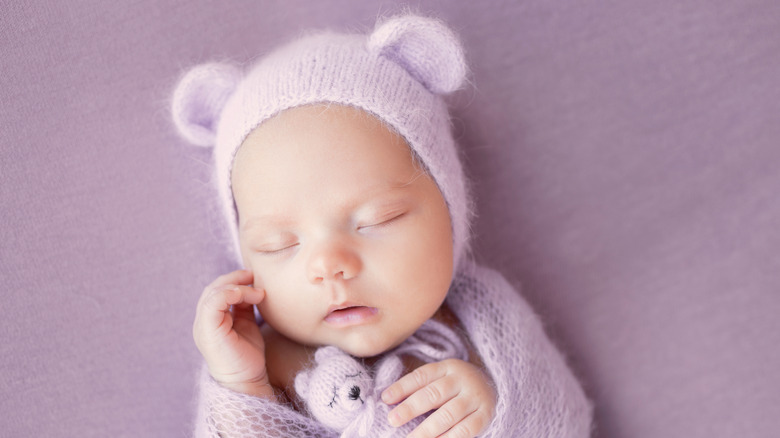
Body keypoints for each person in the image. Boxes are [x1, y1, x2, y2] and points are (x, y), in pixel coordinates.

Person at [172, 13, 592, 438]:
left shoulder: (482, 326)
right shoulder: (269, 365)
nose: (329, 265)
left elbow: (565, 419)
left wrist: (496, 409)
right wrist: (241, 387)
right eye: (278, 244)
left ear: (449, 212)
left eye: (377, 220)